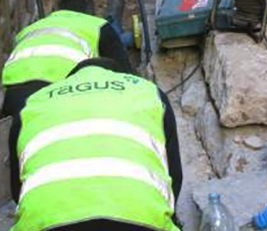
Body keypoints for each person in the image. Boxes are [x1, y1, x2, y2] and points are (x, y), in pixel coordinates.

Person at [10, 57, 182, 231]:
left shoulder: (32, 102)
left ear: (69, 79)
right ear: (118, 75)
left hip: (47, 224)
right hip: (141, 222)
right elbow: (174, 176)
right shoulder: (149, 92)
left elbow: (17, 188)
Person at [1, 0, 134, 201]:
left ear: (58, 9)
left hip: (13, 99)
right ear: (90, 12)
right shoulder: (96, 25)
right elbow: (128, 79)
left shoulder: (29, 30)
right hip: (57, 95)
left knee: (26, 156)